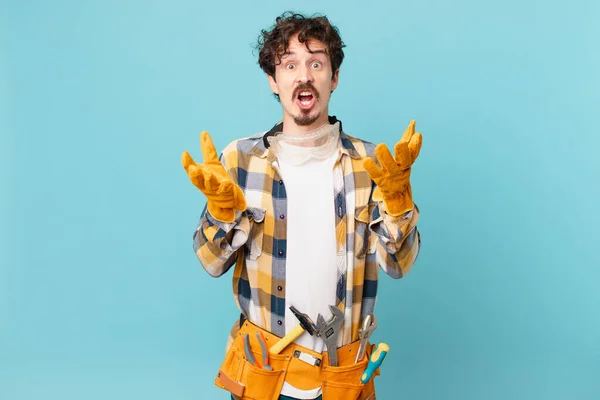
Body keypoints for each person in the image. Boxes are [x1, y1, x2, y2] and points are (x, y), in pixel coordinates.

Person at [182, 11, 422, 400]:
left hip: (344, 378)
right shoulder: (238, 160)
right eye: (289, 64)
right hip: (262, 372)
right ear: (273, 81)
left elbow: (399, 264)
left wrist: (397, 201)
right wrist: (223, 213)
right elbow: (211, 262)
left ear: (334, 77)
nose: (304, 75)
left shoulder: (373, 163)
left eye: (316, 63)